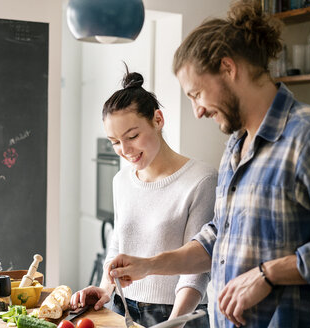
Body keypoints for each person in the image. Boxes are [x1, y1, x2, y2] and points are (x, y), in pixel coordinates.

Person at [106, 1, 310, 327]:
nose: (197, 110)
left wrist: (269, 274)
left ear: (228, 68)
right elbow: (216, 238)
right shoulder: (237, 146)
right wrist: (150, 265)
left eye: (196, 94)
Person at [70, 66, 218, 328]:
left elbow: (197, 267)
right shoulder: (121, 181)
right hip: (122, 308)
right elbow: (118, 245)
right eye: (115, 141)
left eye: (133, 136)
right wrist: (106, 290)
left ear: (158, 120)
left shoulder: (201, 179)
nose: (125, 150)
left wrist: (174, 323)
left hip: (178, 314)